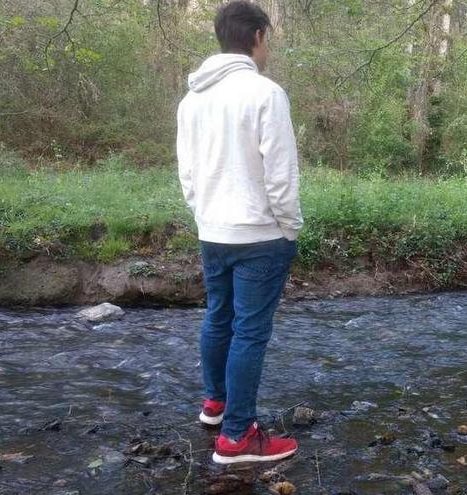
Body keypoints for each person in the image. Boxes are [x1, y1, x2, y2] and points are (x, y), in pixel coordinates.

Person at [176, 0, 303, 465]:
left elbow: (187, 172)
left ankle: (217, 404)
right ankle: (237, 437)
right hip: (261, 235)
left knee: (218, 317)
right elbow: (281, 173)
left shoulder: (192, 99)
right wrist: (289, 226)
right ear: (257, 37)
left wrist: (203, 216)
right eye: (266, 39)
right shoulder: (265, 93)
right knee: (249, 331)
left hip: (213, 230)